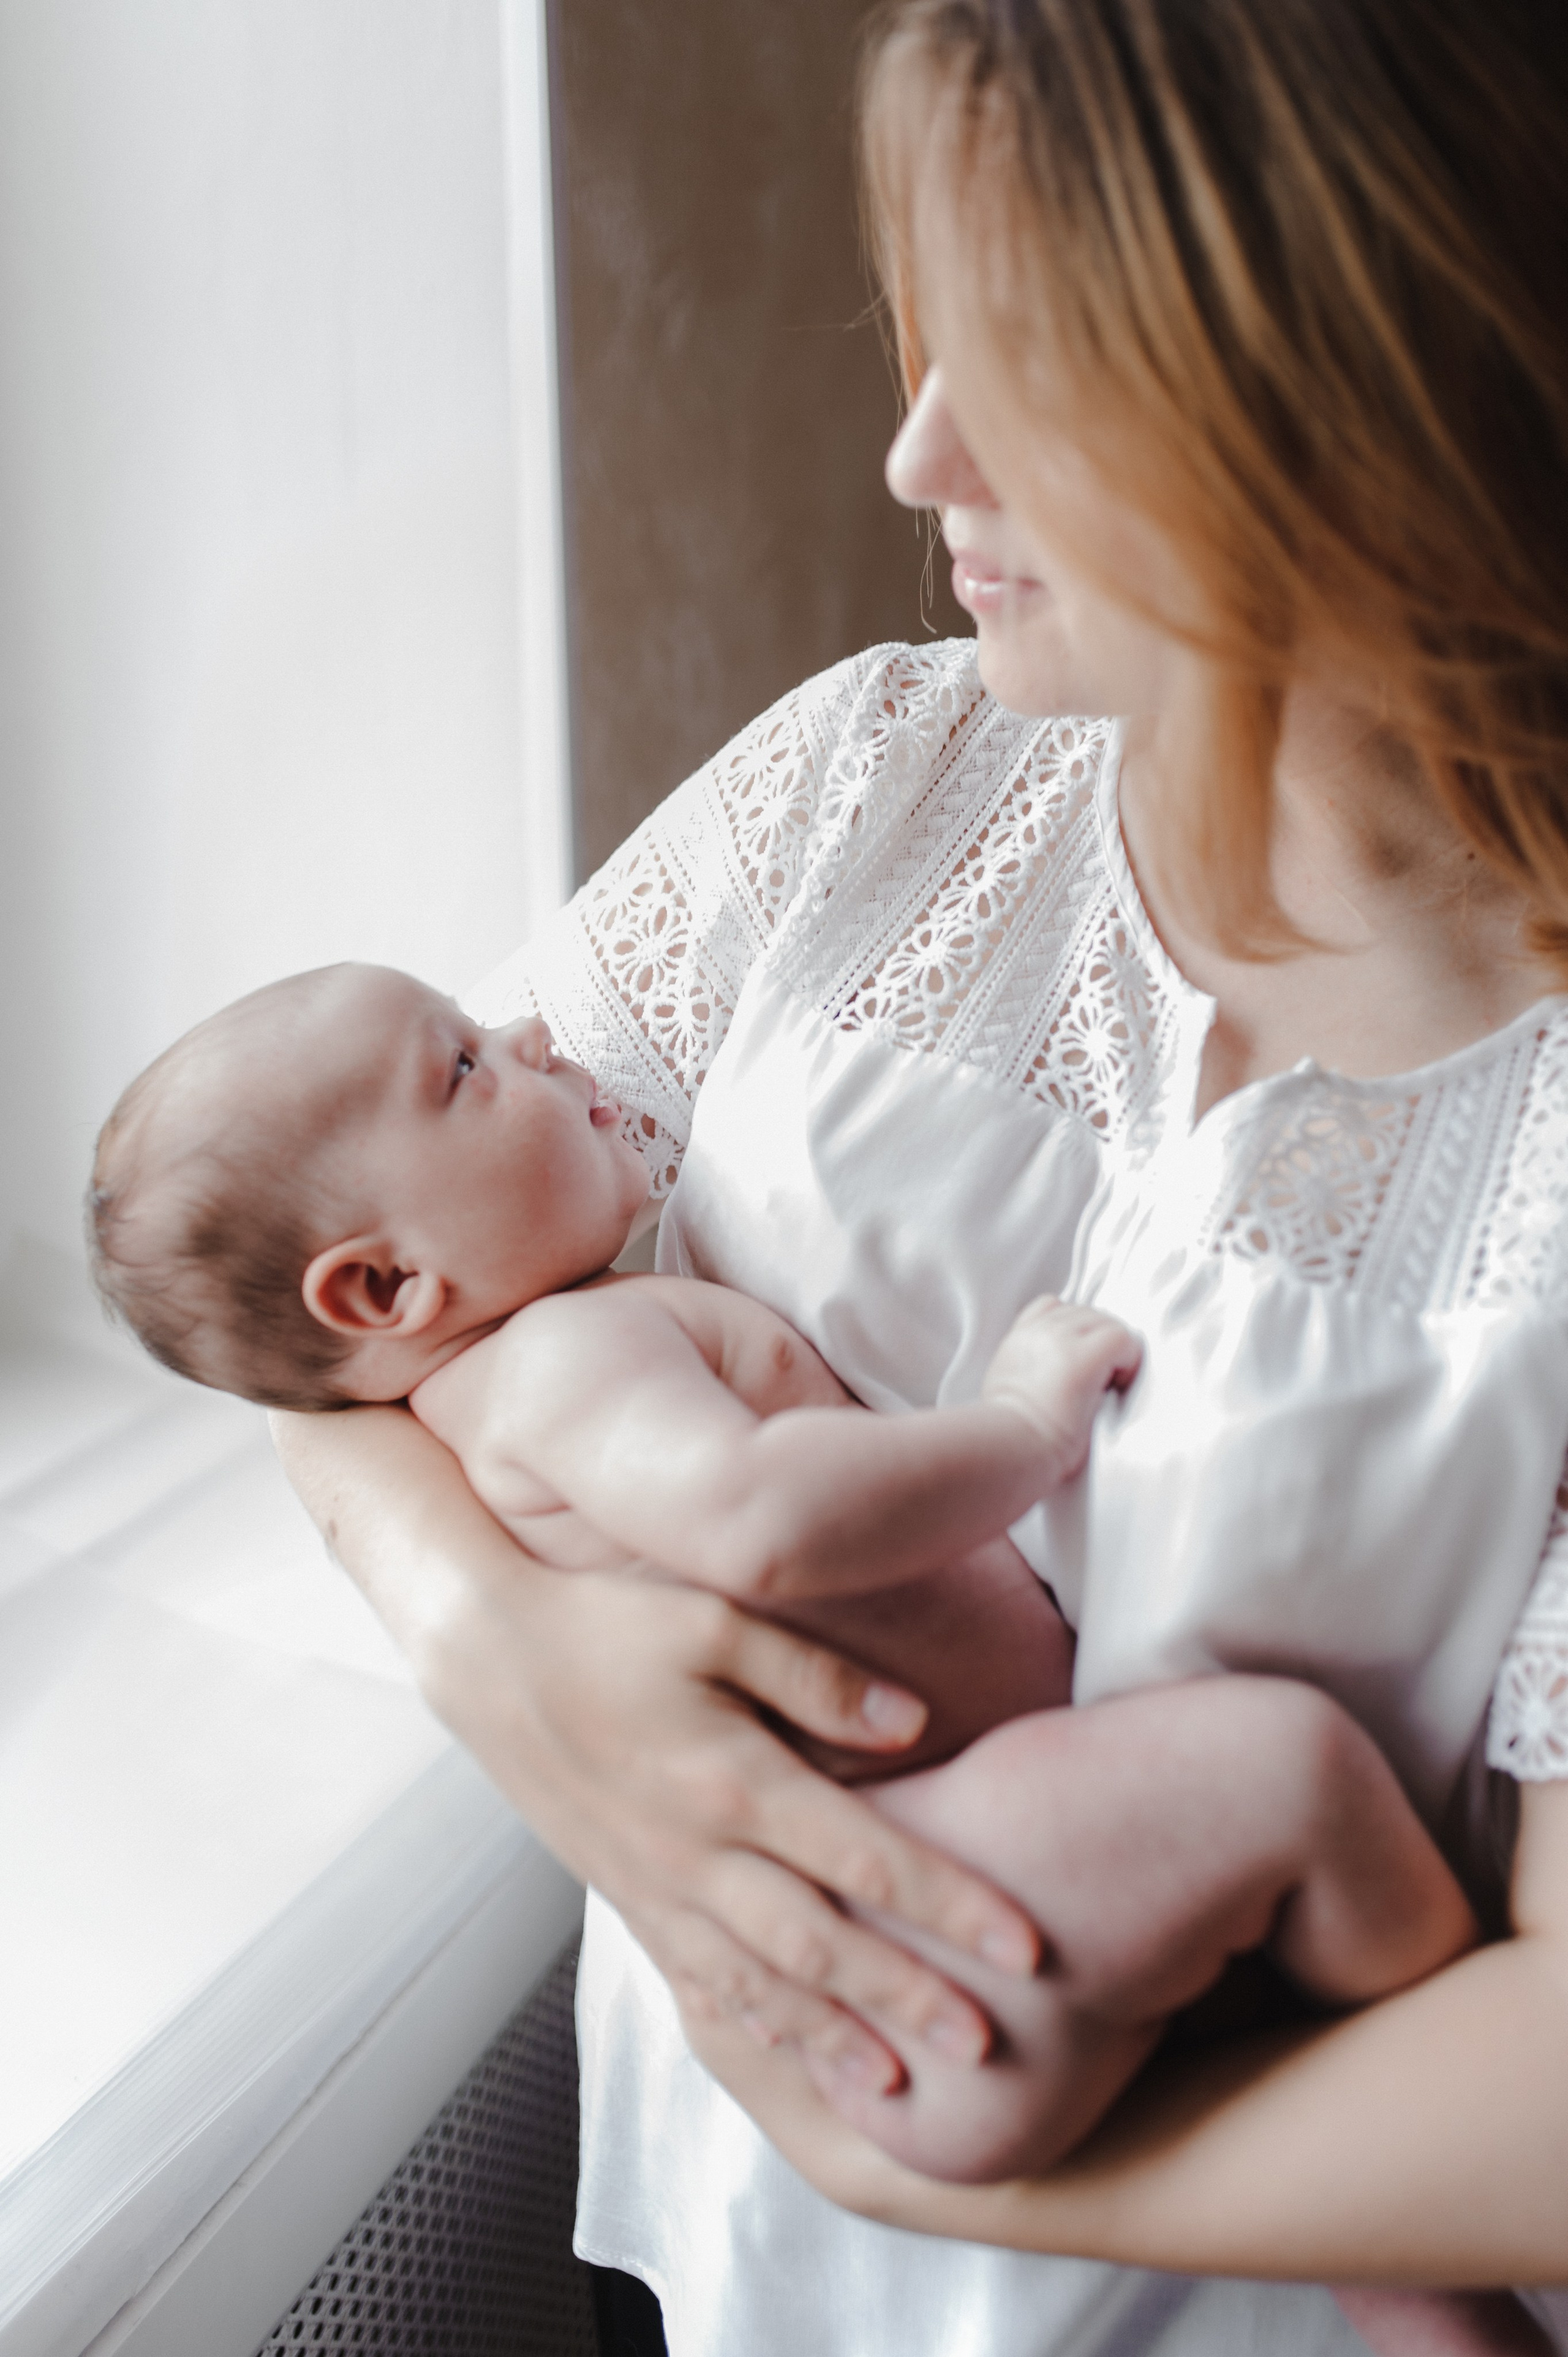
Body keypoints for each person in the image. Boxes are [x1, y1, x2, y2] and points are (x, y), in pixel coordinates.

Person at [271, 2, 1568, 2353]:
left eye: (1030, 359)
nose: (910, 448)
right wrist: (525, 1663)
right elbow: (310, 1271)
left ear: (1362, 380)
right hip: (726, 2282)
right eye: (923, 332)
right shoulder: (867, 787)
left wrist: (955, 2142)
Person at [90, 963, 1482, 2208]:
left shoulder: (502, 1390)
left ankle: (1421, 2268)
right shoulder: (560, 1363)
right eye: (462, 1066)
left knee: (1261, 1983)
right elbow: (759, 1520)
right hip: (932, 1915)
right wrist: (1021, 1426)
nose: (523, 1027)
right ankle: (1428, 2096)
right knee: (1287, 1770)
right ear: (385, 1286)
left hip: (943, 1911)